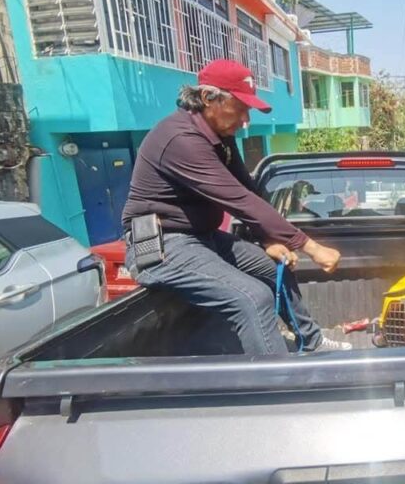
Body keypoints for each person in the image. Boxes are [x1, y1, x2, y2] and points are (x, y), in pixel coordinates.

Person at [122, 59, 351, 355]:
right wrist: (312, 247)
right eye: (240, 108)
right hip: (164, 247)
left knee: (274, 266)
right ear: (208, 98)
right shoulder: (180, 139)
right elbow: (239, 201)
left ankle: (312, 341)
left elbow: (248, 190)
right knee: (253, 298)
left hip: (202, 238)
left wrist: (269, 239)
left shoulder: (219, 137)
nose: (245, 120)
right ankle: (280, 380)